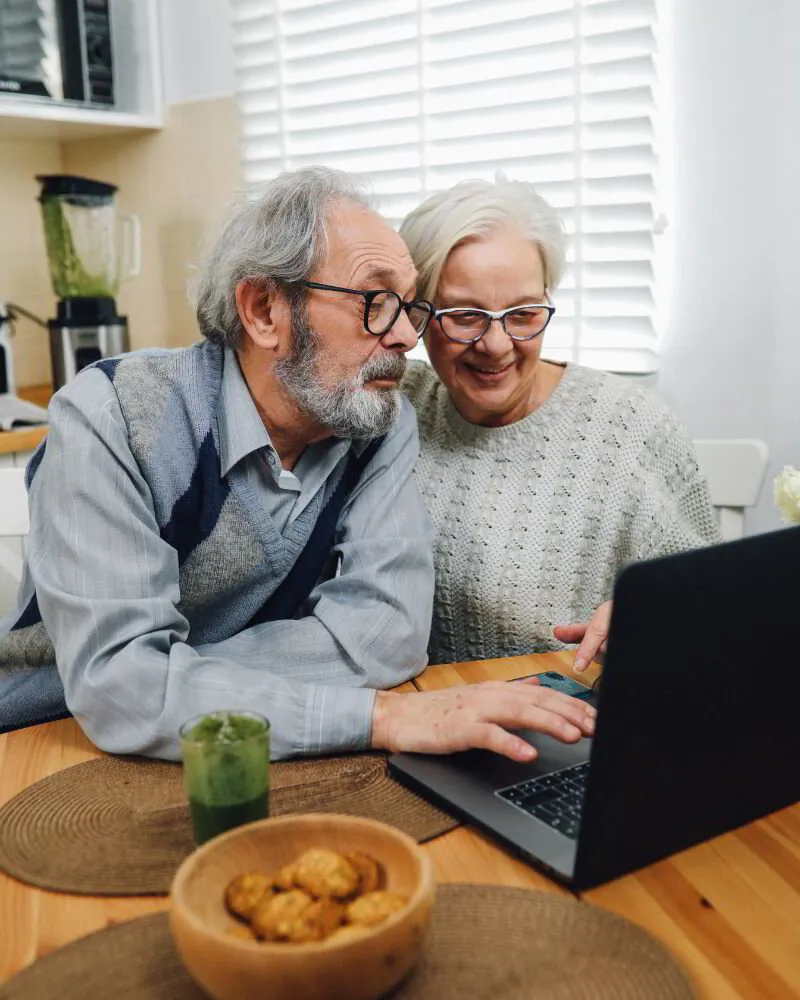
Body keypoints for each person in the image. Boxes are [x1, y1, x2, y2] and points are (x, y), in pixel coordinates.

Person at [0, 167, 595, 764]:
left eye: (409, 306)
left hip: (257, 743)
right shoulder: (111, 415)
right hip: (52, 740)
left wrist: (172, 681)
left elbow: (389, 636)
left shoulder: (377, 423)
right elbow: (117, 691)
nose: (406, 338)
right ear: (264, 310)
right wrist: (378, 714)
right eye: (375, 301)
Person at [400, 175, 721, 672]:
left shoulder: (631, 426)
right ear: (418, 315)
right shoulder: (397, 407)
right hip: (424, 713)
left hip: (577, 722)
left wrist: (656, 615)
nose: (497, 344)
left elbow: (709, 602)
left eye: (524, 313)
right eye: (465, 316)